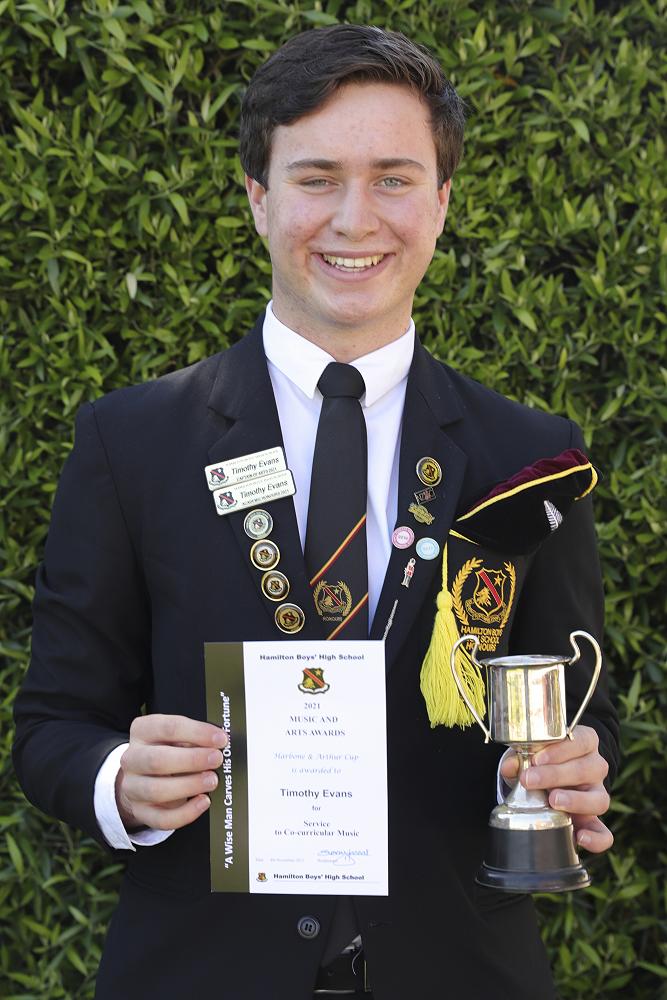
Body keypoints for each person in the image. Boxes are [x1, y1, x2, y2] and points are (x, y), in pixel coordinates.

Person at [13, 24, 618, 1000]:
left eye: (393, 178)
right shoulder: (132, 442)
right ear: (258, 197)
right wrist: (117, 778)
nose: (353, 217)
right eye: (316, 178)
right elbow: (52, 724)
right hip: (200, 973)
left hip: (461, 972)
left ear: (442, 201)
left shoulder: (529, 456)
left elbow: (582, 706)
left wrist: (571, 768)